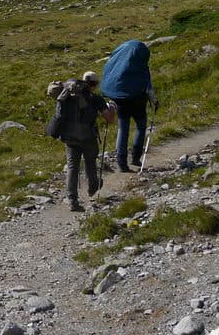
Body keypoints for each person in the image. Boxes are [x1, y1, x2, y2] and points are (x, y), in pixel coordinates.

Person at [47, 71, 115, 211]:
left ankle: (72, 200)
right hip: (88, 136)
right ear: (94, 84)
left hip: (69, 137)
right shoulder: (95, 98)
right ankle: (93, 186)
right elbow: (109, 118)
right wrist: (112, 108)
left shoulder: (67, 96)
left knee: (72, 167)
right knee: (90, 162)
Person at [101, 39, 158, 173]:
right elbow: (148, 86)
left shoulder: (117, 65)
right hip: (138, 101)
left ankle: (121, 162)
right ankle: (136, 157)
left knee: (123, 129)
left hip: (121, 100)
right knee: (140, 126)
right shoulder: (141, 66)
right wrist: (155, 101)